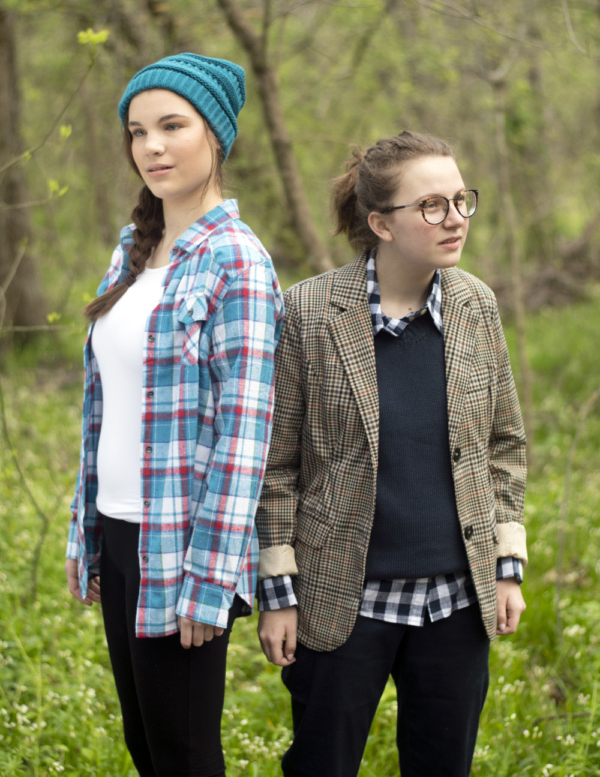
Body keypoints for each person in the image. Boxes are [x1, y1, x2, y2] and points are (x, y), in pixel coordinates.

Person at [256, 131, 527, 777]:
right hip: (340, 599)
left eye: (462, 200)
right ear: (380, 222)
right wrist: (278, 589)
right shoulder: (310, 311)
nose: (456, 217)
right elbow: (276, 466)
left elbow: (505, 444)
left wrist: (507, 559)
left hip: (455, 604)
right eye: (432, 205)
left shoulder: (475, 306)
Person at [65, 52, 284, 777]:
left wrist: (210, 578)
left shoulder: (238, 263)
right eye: (137, 131)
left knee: (185, 755)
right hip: (121, 534)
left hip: (183, 550)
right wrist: (88, 531)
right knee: (147, 749)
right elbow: (106, 408)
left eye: (171, 126)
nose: (151, 146)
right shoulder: (132, 250)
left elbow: (244, 437)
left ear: (215, 135)